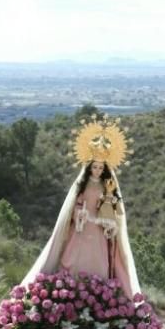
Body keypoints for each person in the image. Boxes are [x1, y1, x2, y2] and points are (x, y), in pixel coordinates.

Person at [22, 120, 139, 298]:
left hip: (99, 230)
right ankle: (72, 291)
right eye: (95, 167)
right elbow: (76, 204)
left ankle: (98, 294)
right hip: (82, 227)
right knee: (73, 259)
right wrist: (79, 213)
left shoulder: (107, 185)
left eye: (101, 167)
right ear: (89, 167)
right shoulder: (82, 186)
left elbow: (113, 208)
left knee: (99, 263)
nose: (97, 171)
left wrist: (111, 222)